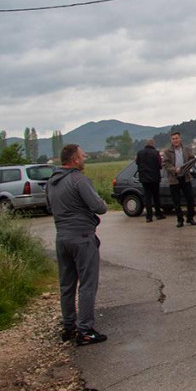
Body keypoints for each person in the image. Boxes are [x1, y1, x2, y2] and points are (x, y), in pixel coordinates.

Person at [46, 144, 108, 346]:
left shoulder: (51, 183)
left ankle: (69, 326)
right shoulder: (78, 180)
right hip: (82, 237)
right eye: (82, 156)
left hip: (61, 237)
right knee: (88, 283)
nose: (85, 158)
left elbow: (49, 207)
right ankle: (85, 330)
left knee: (66, 284)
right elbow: (99, 207)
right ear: (74, 159)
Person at [163, 132, 196, 227]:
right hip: (174, 178)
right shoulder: (167, 151)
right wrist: (174, 169)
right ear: (171, 140)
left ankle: (190, 218)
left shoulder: (186, 149)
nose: (175, 140)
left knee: (190, 198)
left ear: (180, 139)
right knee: (176, 201)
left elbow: (192, 159)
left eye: (176, 138)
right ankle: (180, 220)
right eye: (173, 139)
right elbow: (165, 164)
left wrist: (190, 164)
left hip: (186, 177)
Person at [135, 138, 164, 222]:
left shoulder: (139, 153)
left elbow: (137, 162)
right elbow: (160, 165)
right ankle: (158, 214)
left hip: (144, 179)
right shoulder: (156, 153)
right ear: (153, 144)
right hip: (155, 178)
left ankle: (149, 217)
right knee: (156, 197)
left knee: (148, 198)